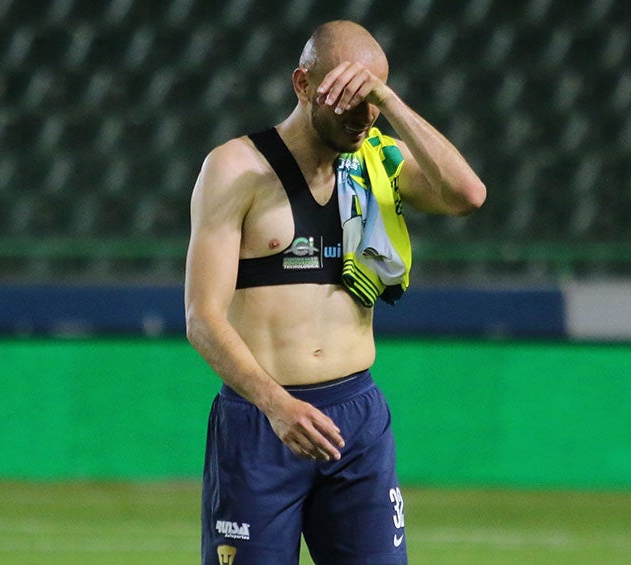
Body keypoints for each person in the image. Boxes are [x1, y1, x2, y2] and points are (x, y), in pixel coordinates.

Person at [184, 20, 485, 565]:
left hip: (357, 420)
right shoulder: (236, 168)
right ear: (302, 84)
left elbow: (467, 194)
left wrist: (388, 100)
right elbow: (202, 318)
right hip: (263, 423)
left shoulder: (379, 161)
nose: (361, 115)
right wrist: (276, 405)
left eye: (368, 98)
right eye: (346, 98)